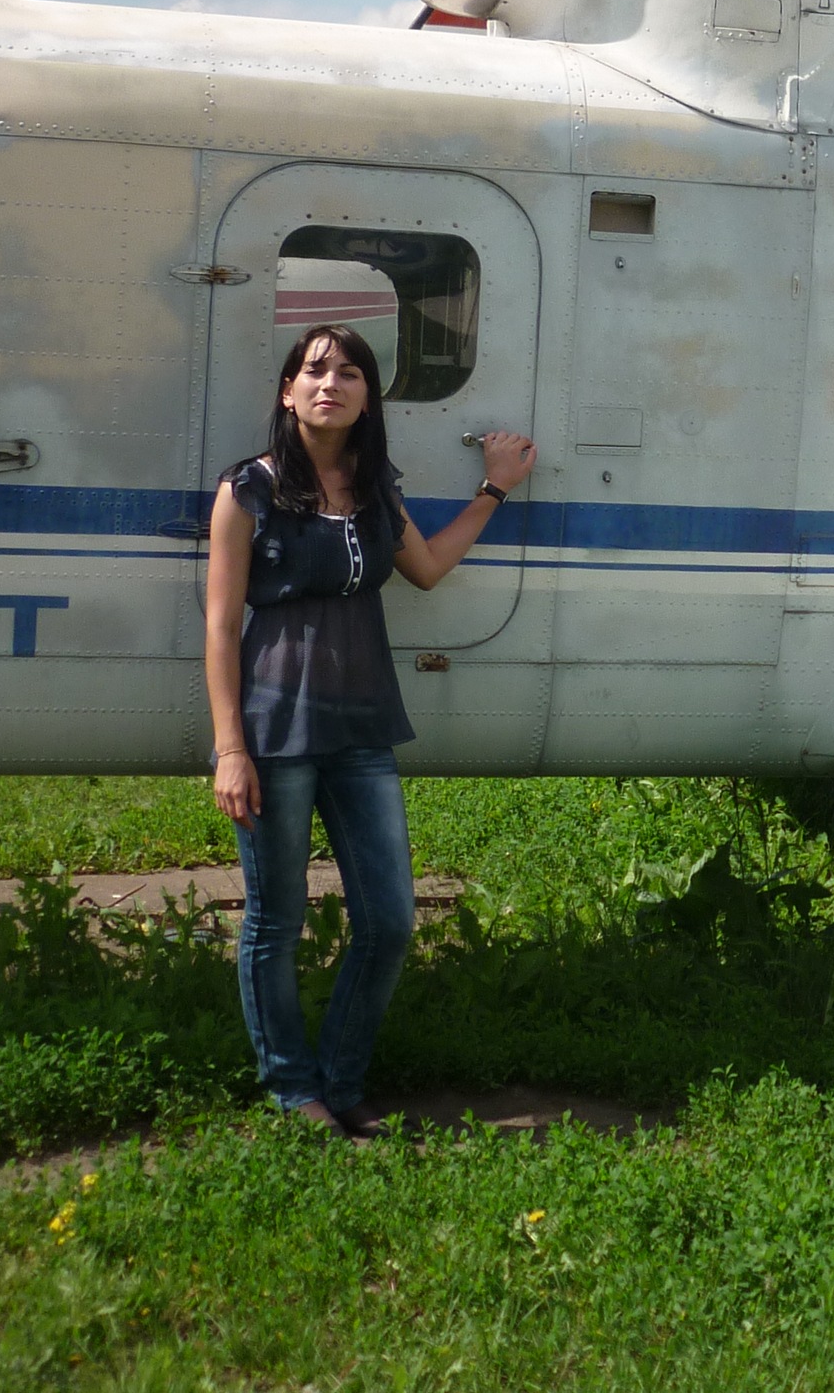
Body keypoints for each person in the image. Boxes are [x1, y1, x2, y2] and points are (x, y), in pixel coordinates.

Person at [204, 324, 535, 1134]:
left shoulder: (375, 487)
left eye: (350, 373)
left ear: (366, 398)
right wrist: (231, 749)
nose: (332, 383)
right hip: (274, 731)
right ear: (288, 392)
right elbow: (218, 625)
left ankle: (344, 1084)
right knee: (275, 920)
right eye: (316, 370)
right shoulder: (249, 489)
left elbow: (426, 568)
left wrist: (493, 489)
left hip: (362, 730)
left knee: (388, 921)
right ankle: (295, 1091)